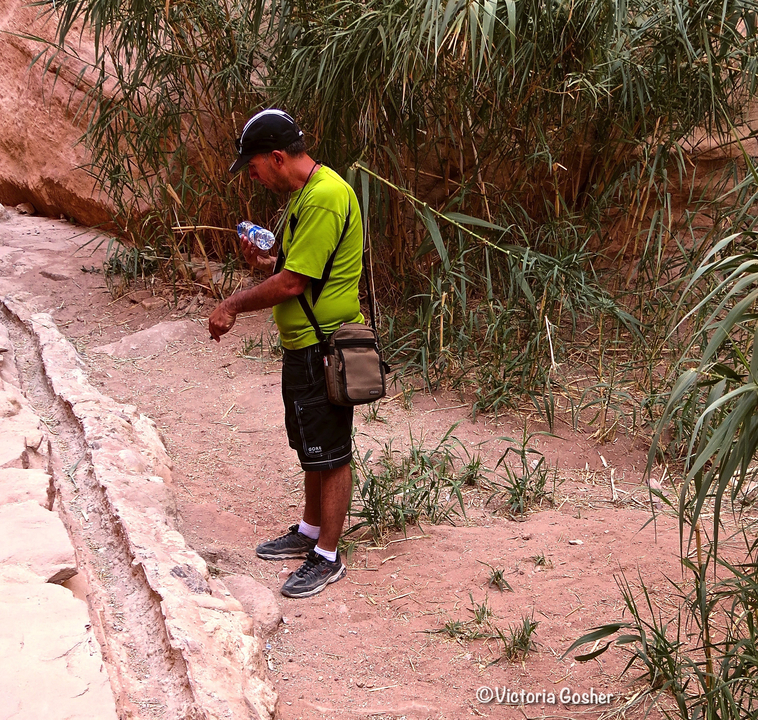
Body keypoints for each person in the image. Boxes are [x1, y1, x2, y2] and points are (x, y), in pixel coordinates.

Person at [208, 109, 363, 598]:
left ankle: (327, 556)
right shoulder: (305, 197)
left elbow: (296, 283)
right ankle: (311, 530)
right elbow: (299, 266)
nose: (251, 175)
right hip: (303, 345)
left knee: (331, 452)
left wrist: (233, 303)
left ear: (277, 157)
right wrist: (267, 261)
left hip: (323, 347)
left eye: (252, 166)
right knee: (311, 445)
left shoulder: (325, 197)